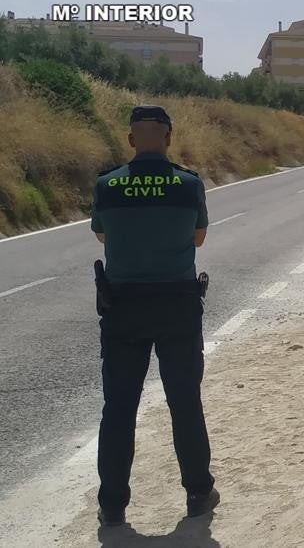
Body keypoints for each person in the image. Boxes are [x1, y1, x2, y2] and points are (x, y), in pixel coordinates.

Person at [90, 105, 219, 527]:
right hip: (177, 305)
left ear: (130, 140)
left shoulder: (106, 186)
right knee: (184, 402)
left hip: (123, 307)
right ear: (168, 138)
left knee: (119, 408)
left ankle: (112, 505)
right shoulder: (188, 184)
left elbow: (103, 235)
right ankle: (198, 492)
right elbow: (197, 238)